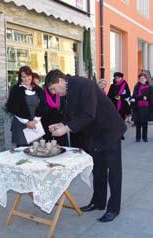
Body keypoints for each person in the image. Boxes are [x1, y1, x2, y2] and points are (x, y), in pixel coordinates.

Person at [45, 69, 126, 222]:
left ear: (61, 81)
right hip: (94, 134)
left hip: (110, 130)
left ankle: (114, 208)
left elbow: (88, 114)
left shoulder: (85, 85)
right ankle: (98, 202)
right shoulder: (67, 91)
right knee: (98, 170)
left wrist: (66, 128)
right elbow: (71, 115)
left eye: (54, 89)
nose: (55, 93)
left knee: (114, 172)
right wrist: (61, 123)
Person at [6, 66, 47, 147]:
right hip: (21, 124)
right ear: (20, 77)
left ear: (31, 76)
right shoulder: (15, 90)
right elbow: (13, 108)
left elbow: (43, 106)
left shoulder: (38, 89)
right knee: (23, 151)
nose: (26, 79)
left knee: (37, 149)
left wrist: (35, 121)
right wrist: (27, 122)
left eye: (28, 76)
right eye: (23, 77)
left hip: (36, 123)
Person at [132, 73, 150, 142]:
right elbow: (134, 95)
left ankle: (145, 137)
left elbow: (151, 96)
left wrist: (148, 97)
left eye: (143, 78)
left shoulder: (149, 86)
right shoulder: (136, 86)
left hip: (146, 106)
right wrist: (141, 97)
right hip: (138, 106)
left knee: (145, 123)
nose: (142, 80)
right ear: (139, 79)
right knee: (138, 122)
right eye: (140, 78)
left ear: (146, 79)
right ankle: (138, 137)